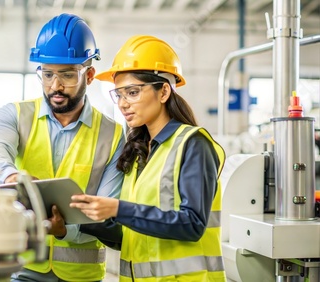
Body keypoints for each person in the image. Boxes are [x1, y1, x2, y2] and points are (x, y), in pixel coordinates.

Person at [70, 35, 227, 281]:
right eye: (118, 95)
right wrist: (80, 220)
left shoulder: (193, 144)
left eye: (132, 92)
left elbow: (192, 224)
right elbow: (131, 237)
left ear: (164, 91)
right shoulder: (139, 153)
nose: (123, 104)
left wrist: (118, 208)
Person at [0, 13, 125, 282]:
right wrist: (13, 177)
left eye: (67, 75)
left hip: (82, 275)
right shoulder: (12, 115)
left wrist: (63, 231)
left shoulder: (114, 134)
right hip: (22, 267)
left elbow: (106, 218)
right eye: (47, 74)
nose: (55, 86)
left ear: (90, 74)